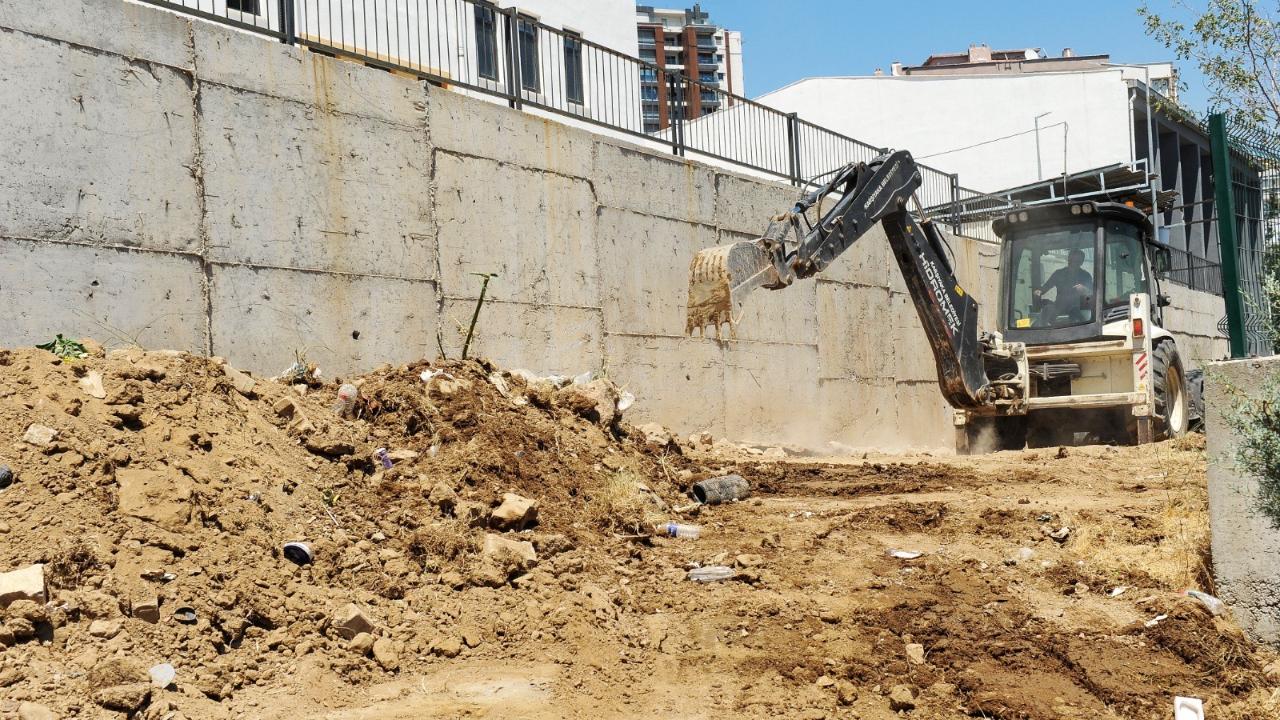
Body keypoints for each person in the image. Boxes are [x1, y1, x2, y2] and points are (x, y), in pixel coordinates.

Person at [1034, 249, 1093, 320]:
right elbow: (1045, 287)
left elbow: (1092, 296)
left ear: (1081, 262)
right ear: (1068, 259)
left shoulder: (1086, 276)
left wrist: (1084, 290)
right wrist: (1039, 291)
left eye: (1077, 261)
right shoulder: (1059, 273)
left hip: (1077, 309)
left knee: (1076, 314)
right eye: (1071, 260)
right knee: (1047, 309)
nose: (1073, 263)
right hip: (1059, 307)